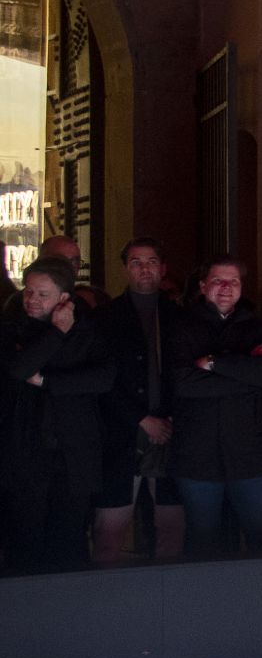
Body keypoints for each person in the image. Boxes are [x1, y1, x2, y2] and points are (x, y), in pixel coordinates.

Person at [1, 257, 113, 570]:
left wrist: (48, 381)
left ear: (64, 298)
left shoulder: (88, 331)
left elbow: (103, 377)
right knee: (24, 540)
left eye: (42, 294)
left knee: (69, 540)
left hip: (73, 452)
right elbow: (19, 369)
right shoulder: (12, 328)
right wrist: (57, 332)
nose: (32, 300)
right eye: (28, 291)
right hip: (26, 450)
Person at [167, 257, 262, 557]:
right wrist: (245, 374)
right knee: (203, 544)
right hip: (196, 454)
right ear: (203, 286)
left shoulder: (257, 326)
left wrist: (214, 362)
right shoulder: (181, 326)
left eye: (234, 281)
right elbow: (183, 383)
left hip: (247, 454)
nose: (226, 287)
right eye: (218, 281)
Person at [91, 237, 186, 562]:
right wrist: (141, 419)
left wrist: (170, 418)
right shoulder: (104, 318)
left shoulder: (180, 316)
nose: (144, 269)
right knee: (108, 534)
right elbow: (100, 380)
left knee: (172, 533)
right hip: (120, 437)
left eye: (151, 262)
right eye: (136, 262)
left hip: (173, 435)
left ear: (163, 268)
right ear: (125, 269)